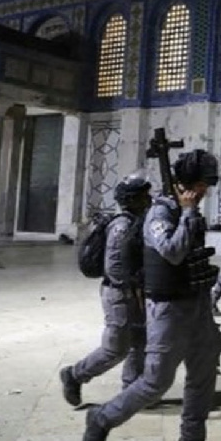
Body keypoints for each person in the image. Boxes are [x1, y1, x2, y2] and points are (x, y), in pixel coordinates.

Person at [81, 149, 221, 441]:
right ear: (191, 184)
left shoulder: (185, 208)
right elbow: (173, 252)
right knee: (155, 382)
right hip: (168, 311)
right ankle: (101, 418)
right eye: (204, 185)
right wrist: (188, 212)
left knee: (203, 376)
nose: (206, 192)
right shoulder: (160, 214)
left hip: (197, 305)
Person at [59, 171, 152, 407]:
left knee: (139, 342)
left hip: (134, 292)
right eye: (143, 196)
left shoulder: (135, 222)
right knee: (115, 349)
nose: (147, 200)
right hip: (120, 295)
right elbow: (115, 267)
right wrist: (132, 285)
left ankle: (132, 389)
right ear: (130, 199)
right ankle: (74, 375)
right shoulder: (122, 227)